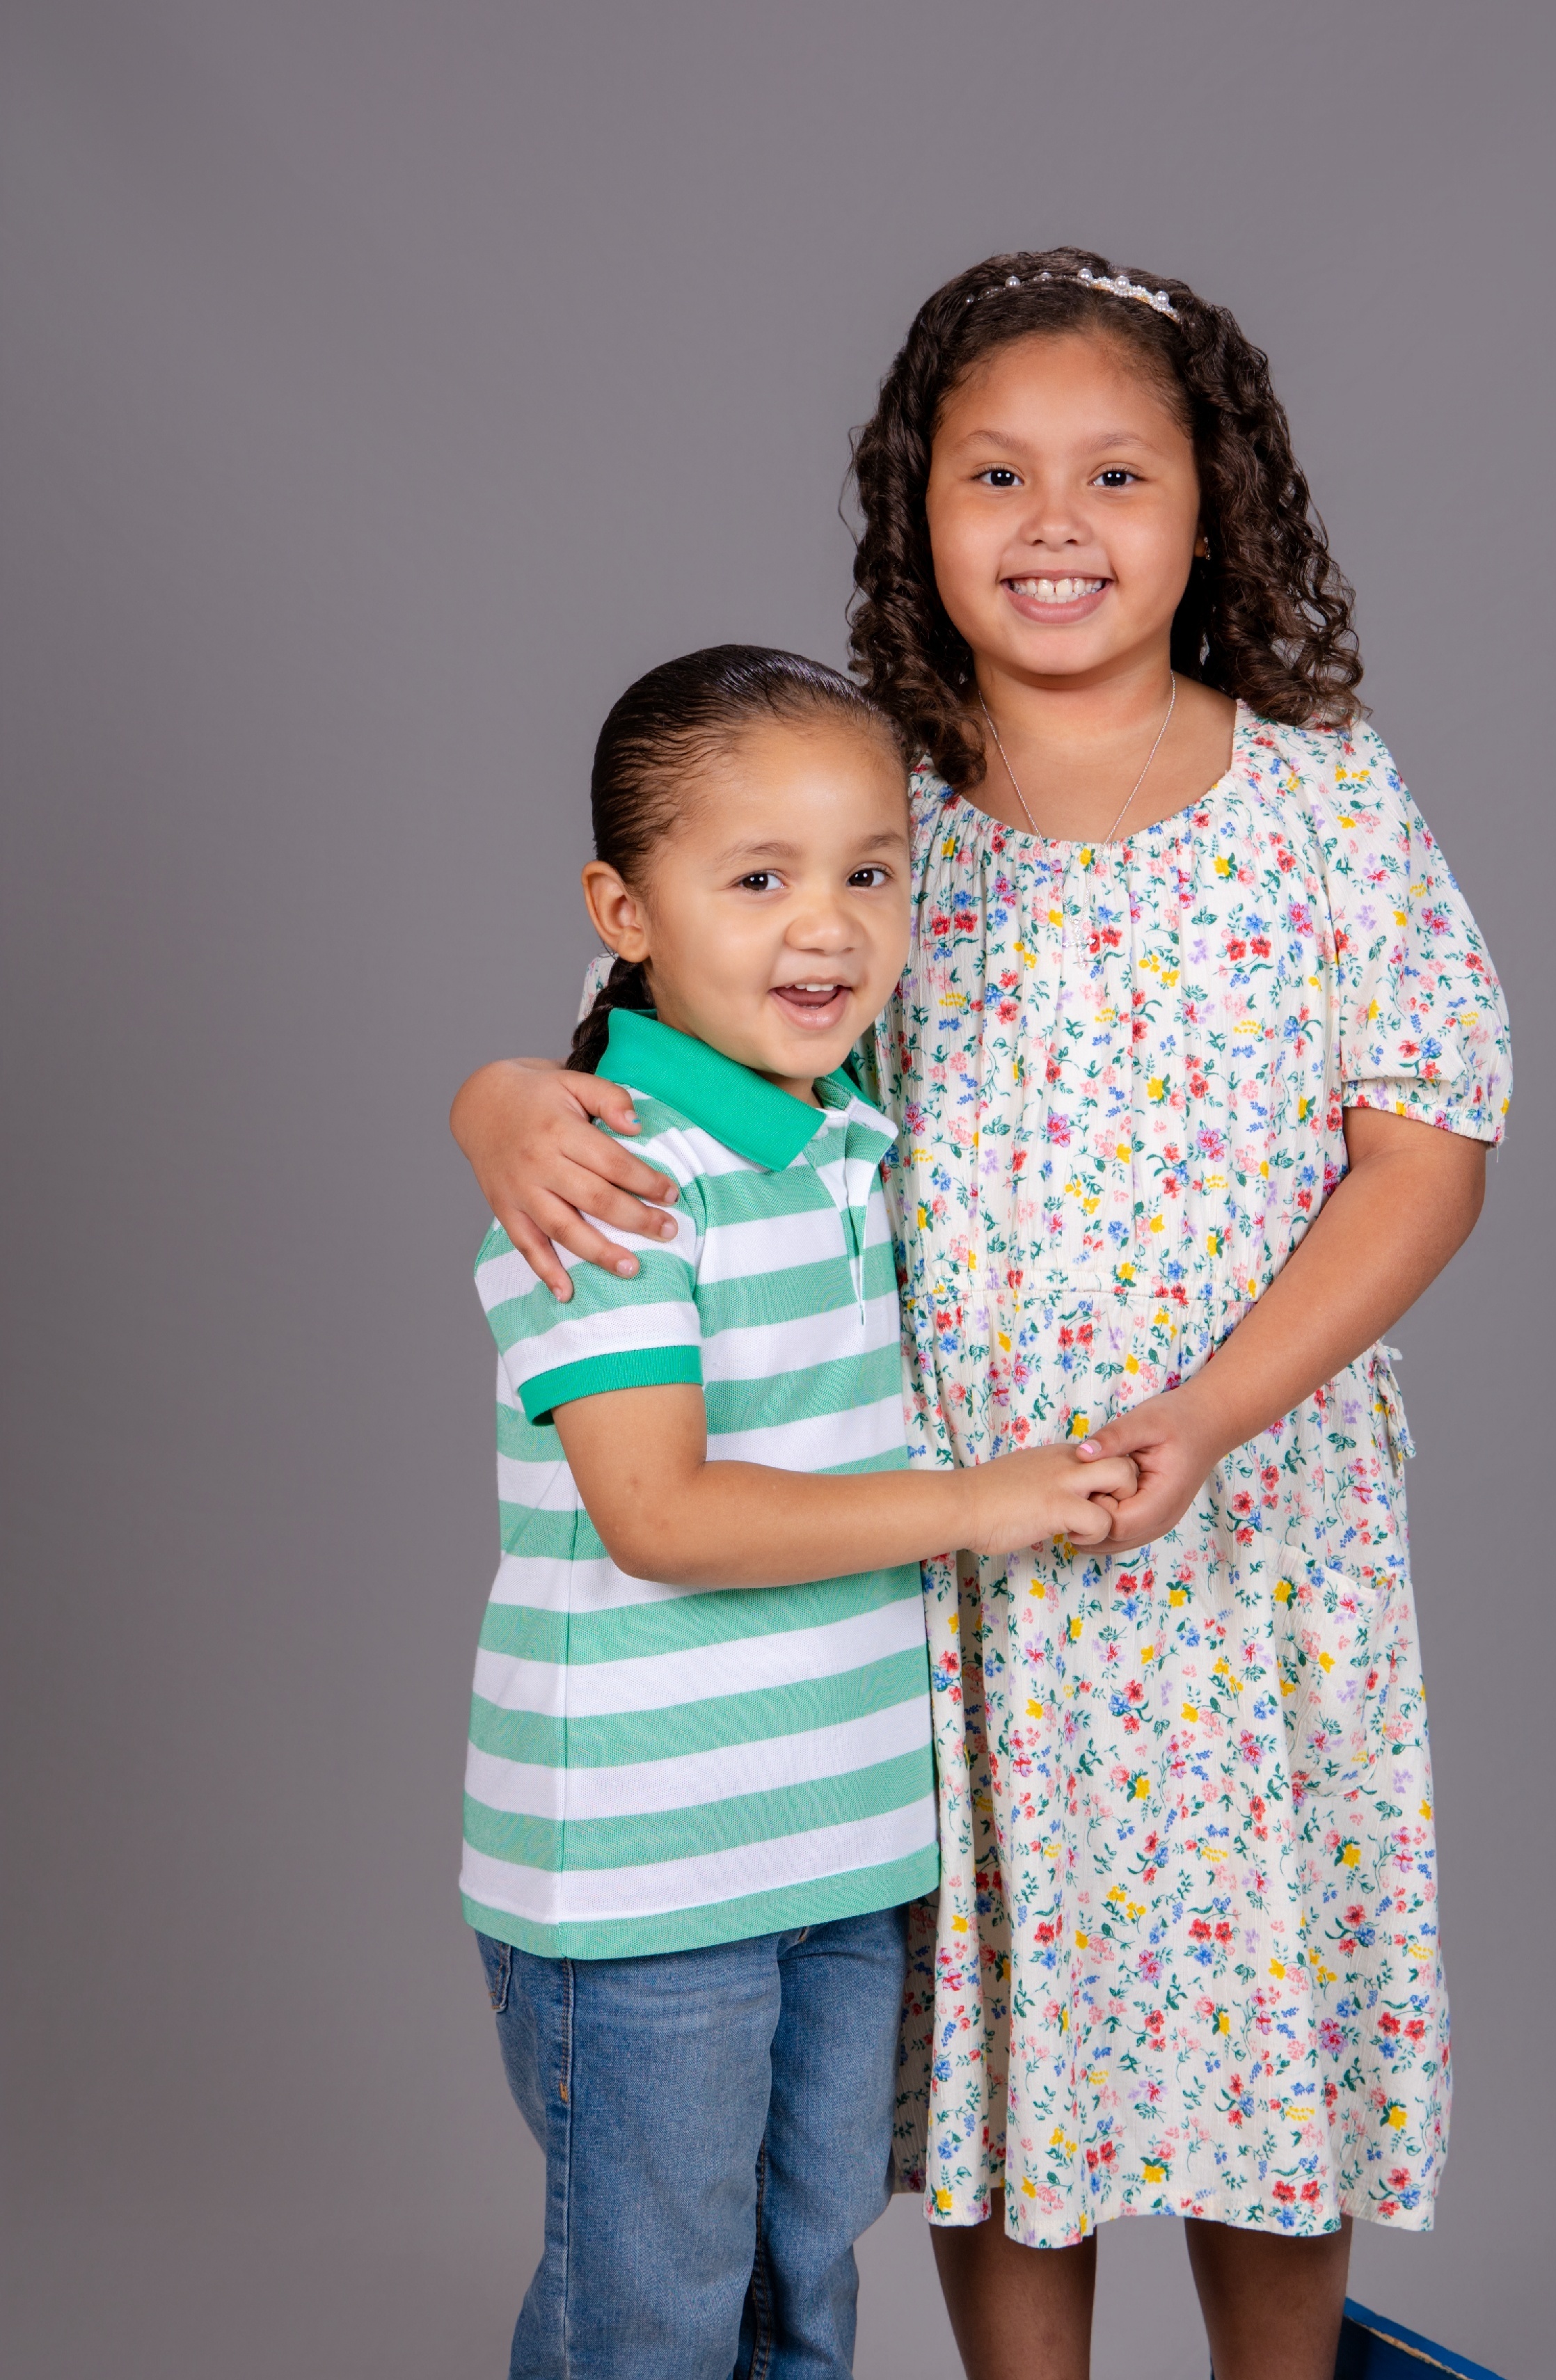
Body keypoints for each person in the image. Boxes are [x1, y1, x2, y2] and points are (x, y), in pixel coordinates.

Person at [452, 254, 1513, 2380]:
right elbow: (661, 1046)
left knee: (1257, 2004)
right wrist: (490, 1096)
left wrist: (1210, 1413)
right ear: (914, 509)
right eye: (996, 473)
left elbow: (1427, 1140)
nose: (1055, 521)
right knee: (1000, 2047)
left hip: (1244, 1518)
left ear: (1212, 505)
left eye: (1117, 474)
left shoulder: (1317, 793)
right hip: (951, 1547)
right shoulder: (880, 804)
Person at [462, 642, 1137, 2380]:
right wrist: (978, 1504)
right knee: (655, 2315)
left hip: (842, 1842)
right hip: (646, 1865)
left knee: (800, 2292)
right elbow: (662, 1516)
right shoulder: (607, 1182)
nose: (826, 928)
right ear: (624, 912)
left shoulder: (848, 1134)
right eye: (758, 881)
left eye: (870, 875)